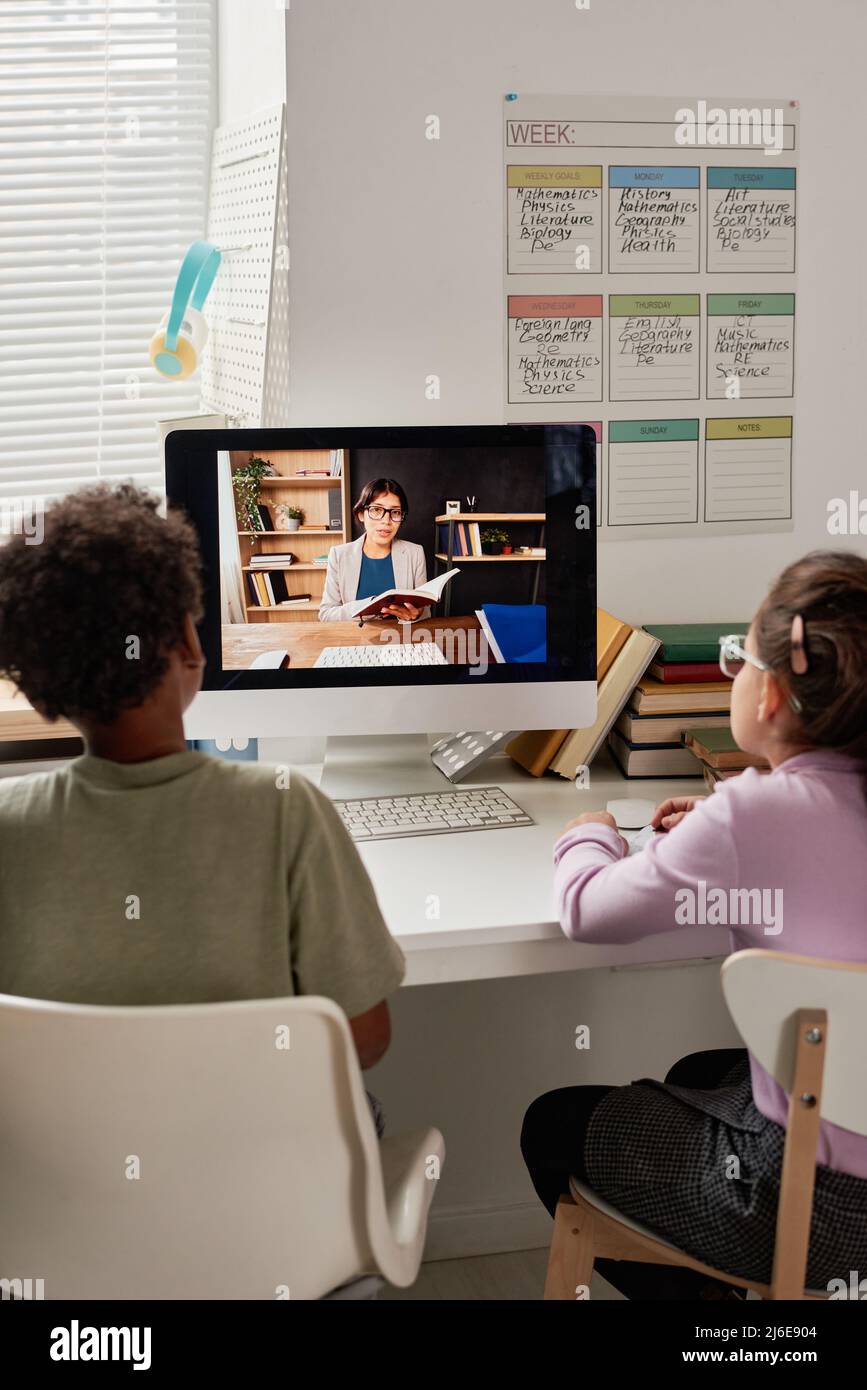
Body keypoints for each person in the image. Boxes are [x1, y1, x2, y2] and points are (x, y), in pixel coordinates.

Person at [521, 550, 867, 1299]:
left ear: (770, 694)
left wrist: (588, 831)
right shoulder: (758, 807)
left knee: (552, 1124)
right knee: (696, 1077)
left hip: (814, 1212)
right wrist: (728, 819)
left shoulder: (752, 814)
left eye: (737, 657)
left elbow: (586, 911)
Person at [0, 484, 405, 1095]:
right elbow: (366, 1038)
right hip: (260, 1176)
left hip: (70, 1182)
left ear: (37, 689)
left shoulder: (9, 826)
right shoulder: (284, 809)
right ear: (191, 646)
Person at [319, 477, 429, 622]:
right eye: (377, 510)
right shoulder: (339, 555)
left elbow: (426, 611)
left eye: (395, 512)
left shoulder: (415, 553)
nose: (386, 521)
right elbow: (326, 615)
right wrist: (370, 606)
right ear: (361, 514)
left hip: (400, 638)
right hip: (355, 640)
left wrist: (417, 614)